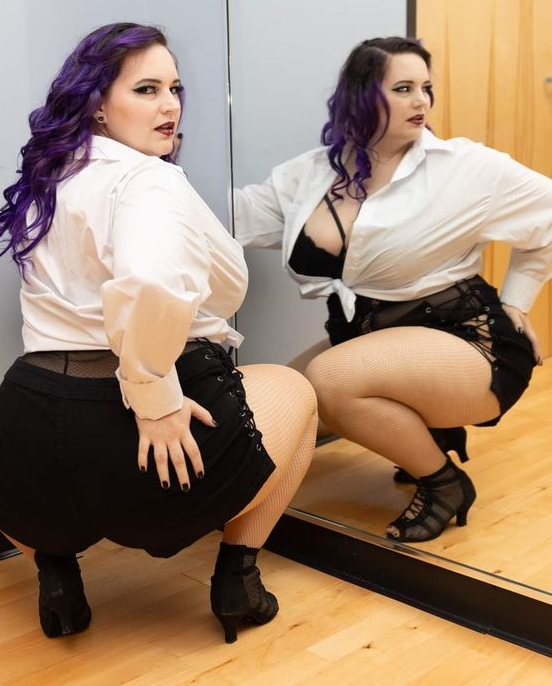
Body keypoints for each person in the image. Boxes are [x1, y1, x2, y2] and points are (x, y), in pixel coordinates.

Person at [0, 22, 317, 643]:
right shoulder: (146, 179)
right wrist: (153, 400)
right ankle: (238, 575)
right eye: (148, 89)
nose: (170, 105)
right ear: (97, 103)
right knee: (299, 391)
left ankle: (55, 572)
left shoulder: (52, 176)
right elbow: (152, 283)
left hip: (31, 420)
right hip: (126, 422)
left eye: (175, 88)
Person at [234, 36, 552, 543]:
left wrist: (518, 297)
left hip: (469, 341)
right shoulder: (313, 172)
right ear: (360, 97)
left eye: (426, 88)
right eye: (403, 88)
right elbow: (232, 220)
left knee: (330, 380)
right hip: (371, 337)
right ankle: (427, 433)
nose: (421, 101)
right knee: (283, 402)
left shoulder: (465, 168)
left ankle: (444, 484)